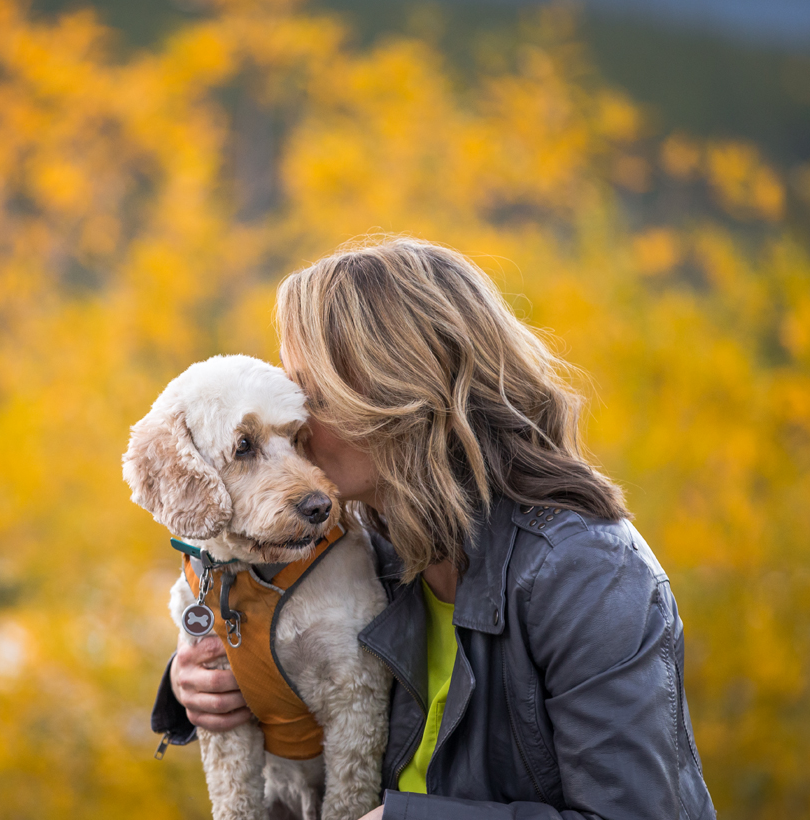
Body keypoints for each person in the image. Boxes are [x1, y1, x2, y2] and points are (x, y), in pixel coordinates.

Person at [151, 237, 716, 820]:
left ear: (402, 394)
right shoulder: (370, 544)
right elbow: (303, 657)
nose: (296, 423)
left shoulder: (586, 575)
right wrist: (191, 684)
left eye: (312, 394)